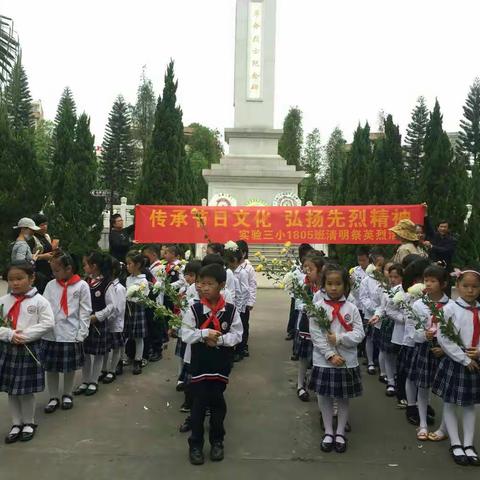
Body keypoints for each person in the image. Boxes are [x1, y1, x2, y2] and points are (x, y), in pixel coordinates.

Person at [181, 263, 243, 465]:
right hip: (199, 363)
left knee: (217, 402)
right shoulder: (195, 309)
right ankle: (196, 445)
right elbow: (186, 334)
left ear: (221, 285)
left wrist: (220, 340)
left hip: (220, 363)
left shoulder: (231, 310)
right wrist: (204, 333)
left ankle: (217, 441)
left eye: (209, 284)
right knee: (198, 404)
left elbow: (237, 335)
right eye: (201, 283)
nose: (204, 288)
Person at [308, 264, 365, 454]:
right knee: (324, 397)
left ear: (345, 285)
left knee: (342, 397)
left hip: (347, 360)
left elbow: (359, 334)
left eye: (338, 284)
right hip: (324, 360)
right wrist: (330, 354)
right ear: (323, 285)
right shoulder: (316, 308)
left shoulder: (352, 308)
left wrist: (340, 339)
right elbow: (316, 335)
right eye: (329, 284)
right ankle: (328, 431)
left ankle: (340, 432)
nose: (334, 288)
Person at [0, 261, 55, 443]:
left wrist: (24, 335)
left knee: (26, 390)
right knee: (12, 390)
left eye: (20, 278)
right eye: (11, 279)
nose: (15, 283)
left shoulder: (40, 301)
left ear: (31, 278)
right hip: (8, 349)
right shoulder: (3, 301)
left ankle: (29, 422)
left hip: (28, 348)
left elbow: (48, 323)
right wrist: (8, 334)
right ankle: (16, 423)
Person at [432, 268, 480, 466]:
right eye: (465, 286)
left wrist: (478, 353)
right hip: (456, 361)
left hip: (475, 361)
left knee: (470, 405)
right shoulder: (450, 309)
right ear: (457, 286)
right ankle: (456, 443)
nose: (470, 290)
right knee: (450, 403)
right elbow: (444, 338)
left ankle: (469, 444)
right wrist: (464, 358)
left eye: (475, 287)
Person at [42, 251, 91, 413]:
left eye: (57, 270)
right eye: (53, 271)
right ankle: (53, 396)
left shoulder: (82, 285)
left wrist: (82, 333)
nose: (54, 274)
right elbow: (44, 308)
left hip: (71, 333)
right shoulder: (51, 285)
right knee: (51, 368)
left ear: (69, 268)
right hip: (51, 334)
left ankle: (67, 394)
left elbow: (85, 311)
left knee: (69, 368)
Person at [410, 265, 451, 441]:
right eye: (426, 280)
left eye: (433, 281)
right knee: (422, 385)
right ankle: (423, 423)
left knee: (446, 390)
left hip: (445, 352)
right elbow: (412, 330)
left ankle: (444, 427)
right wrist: (423, 334)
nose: (428, 284)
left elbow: (455, 331)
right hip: (425, 349)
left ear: (443, 284)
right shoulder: (418, 304)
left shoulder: (451, 306)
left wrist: (445, 348)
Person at [74, 252, 115, 396]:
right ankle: (85, 381)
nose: (83, 267)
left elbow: (111, 306)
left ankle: (94, 381)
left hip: (97, 323)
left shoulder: (107, 283)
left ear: (94, 266)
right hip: (84, 323)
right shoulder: (84, 282)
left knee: (98, 354)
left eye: (85, 264)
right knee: (85, 353)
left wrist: (96, 317)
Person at [294, 254, 324, 402]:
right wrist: (308, 308)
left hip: (322, 327)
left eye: (310, 268)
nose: (307, 271)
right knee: (304, 357)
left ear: (319, 271)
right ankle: (300, 385)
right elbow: (299, 304)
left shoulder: (326, 286)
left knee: (319, 357)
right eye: (305, 268)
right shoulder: (305, 285)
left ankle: (317, 385)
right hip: (307, 324)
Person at [372, 263, 404, 397]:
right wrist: (377, 315)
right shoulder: (386, 291)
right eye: (390, 276)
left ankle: (397, 378)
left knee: (398, 355)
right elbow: (382, 307)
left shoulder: (404, 291)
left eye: (396, 277)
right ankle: (390, 381)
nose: (392, 279)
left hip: (399, 325)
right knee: (387, 353)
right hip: (387, 324)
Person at [359, 250, 386, 375]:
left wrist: (381, 310)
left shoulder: (386, 279)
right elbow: (363, 298)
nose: (380, 268)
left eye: (382, 265)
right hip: (371, 313)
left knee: (381, 340)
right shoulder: (367, 280)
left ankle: (382, 367)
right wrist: (374, 309)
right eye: (379, 265)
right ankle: (370, 362)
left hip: (385, 314)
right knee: (369, 338)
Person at [124, 250, 150, 375]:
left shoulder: (143, 281)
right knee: (126, 335)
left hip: (137, 309)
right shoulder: (128, 279)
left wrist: (131, 296)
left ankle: (138, 360)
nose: (127, 266)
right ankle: (125, 357)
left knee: (138, 337)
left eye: (130, 264)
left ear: (138, 265)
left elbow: (143, 297)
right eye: (126, 264)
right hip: (127, 309)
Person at [102, 258, 126, 383]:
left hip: (116, 324)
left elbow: (118, 309)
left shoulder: (120, 288)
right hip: (107, 322)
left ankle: (112, 370)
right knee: (106, 348)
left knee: (116, 348)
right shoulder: (107, 286)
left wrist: (108, 318)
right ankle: (105, 369)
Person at [224, 245, 249, 362]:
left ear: (235, 261)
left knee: (242, 328)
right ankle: (235, 350)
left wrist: (239, 307)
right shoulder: (231, 272)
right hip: (235, 305)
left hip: (241, 307)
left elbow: (244, 291)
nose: (229, 266)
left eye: (230, 263)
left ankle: (240, 350)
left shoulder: (242, 273)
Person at [286, 244, 314, 341]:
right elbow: (292, 279)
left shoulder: (312, 265)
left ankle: (299, 333)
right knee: (295, 313)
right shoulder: (296, 266)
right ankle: (292, 331)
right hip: (298, 294)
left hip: (308, 294)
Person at [236, 240, 257, 358]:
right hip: (235, 302)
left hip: (244, 303)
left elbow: (252, 285)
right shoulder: (232, 267)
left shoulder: (248, 268)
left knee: (243, 325)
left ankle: (242, 347)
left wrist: (250, 301)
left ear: (243, 254)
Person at [30, 213, 57, 294]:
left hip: (48, 270)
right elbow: (27, 256)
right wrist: (42, 256)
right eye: (42, 225)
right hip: (37, 271)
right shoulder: (31, 238)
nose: (45, 227)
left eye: (46, 224)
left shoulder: (46, 236)